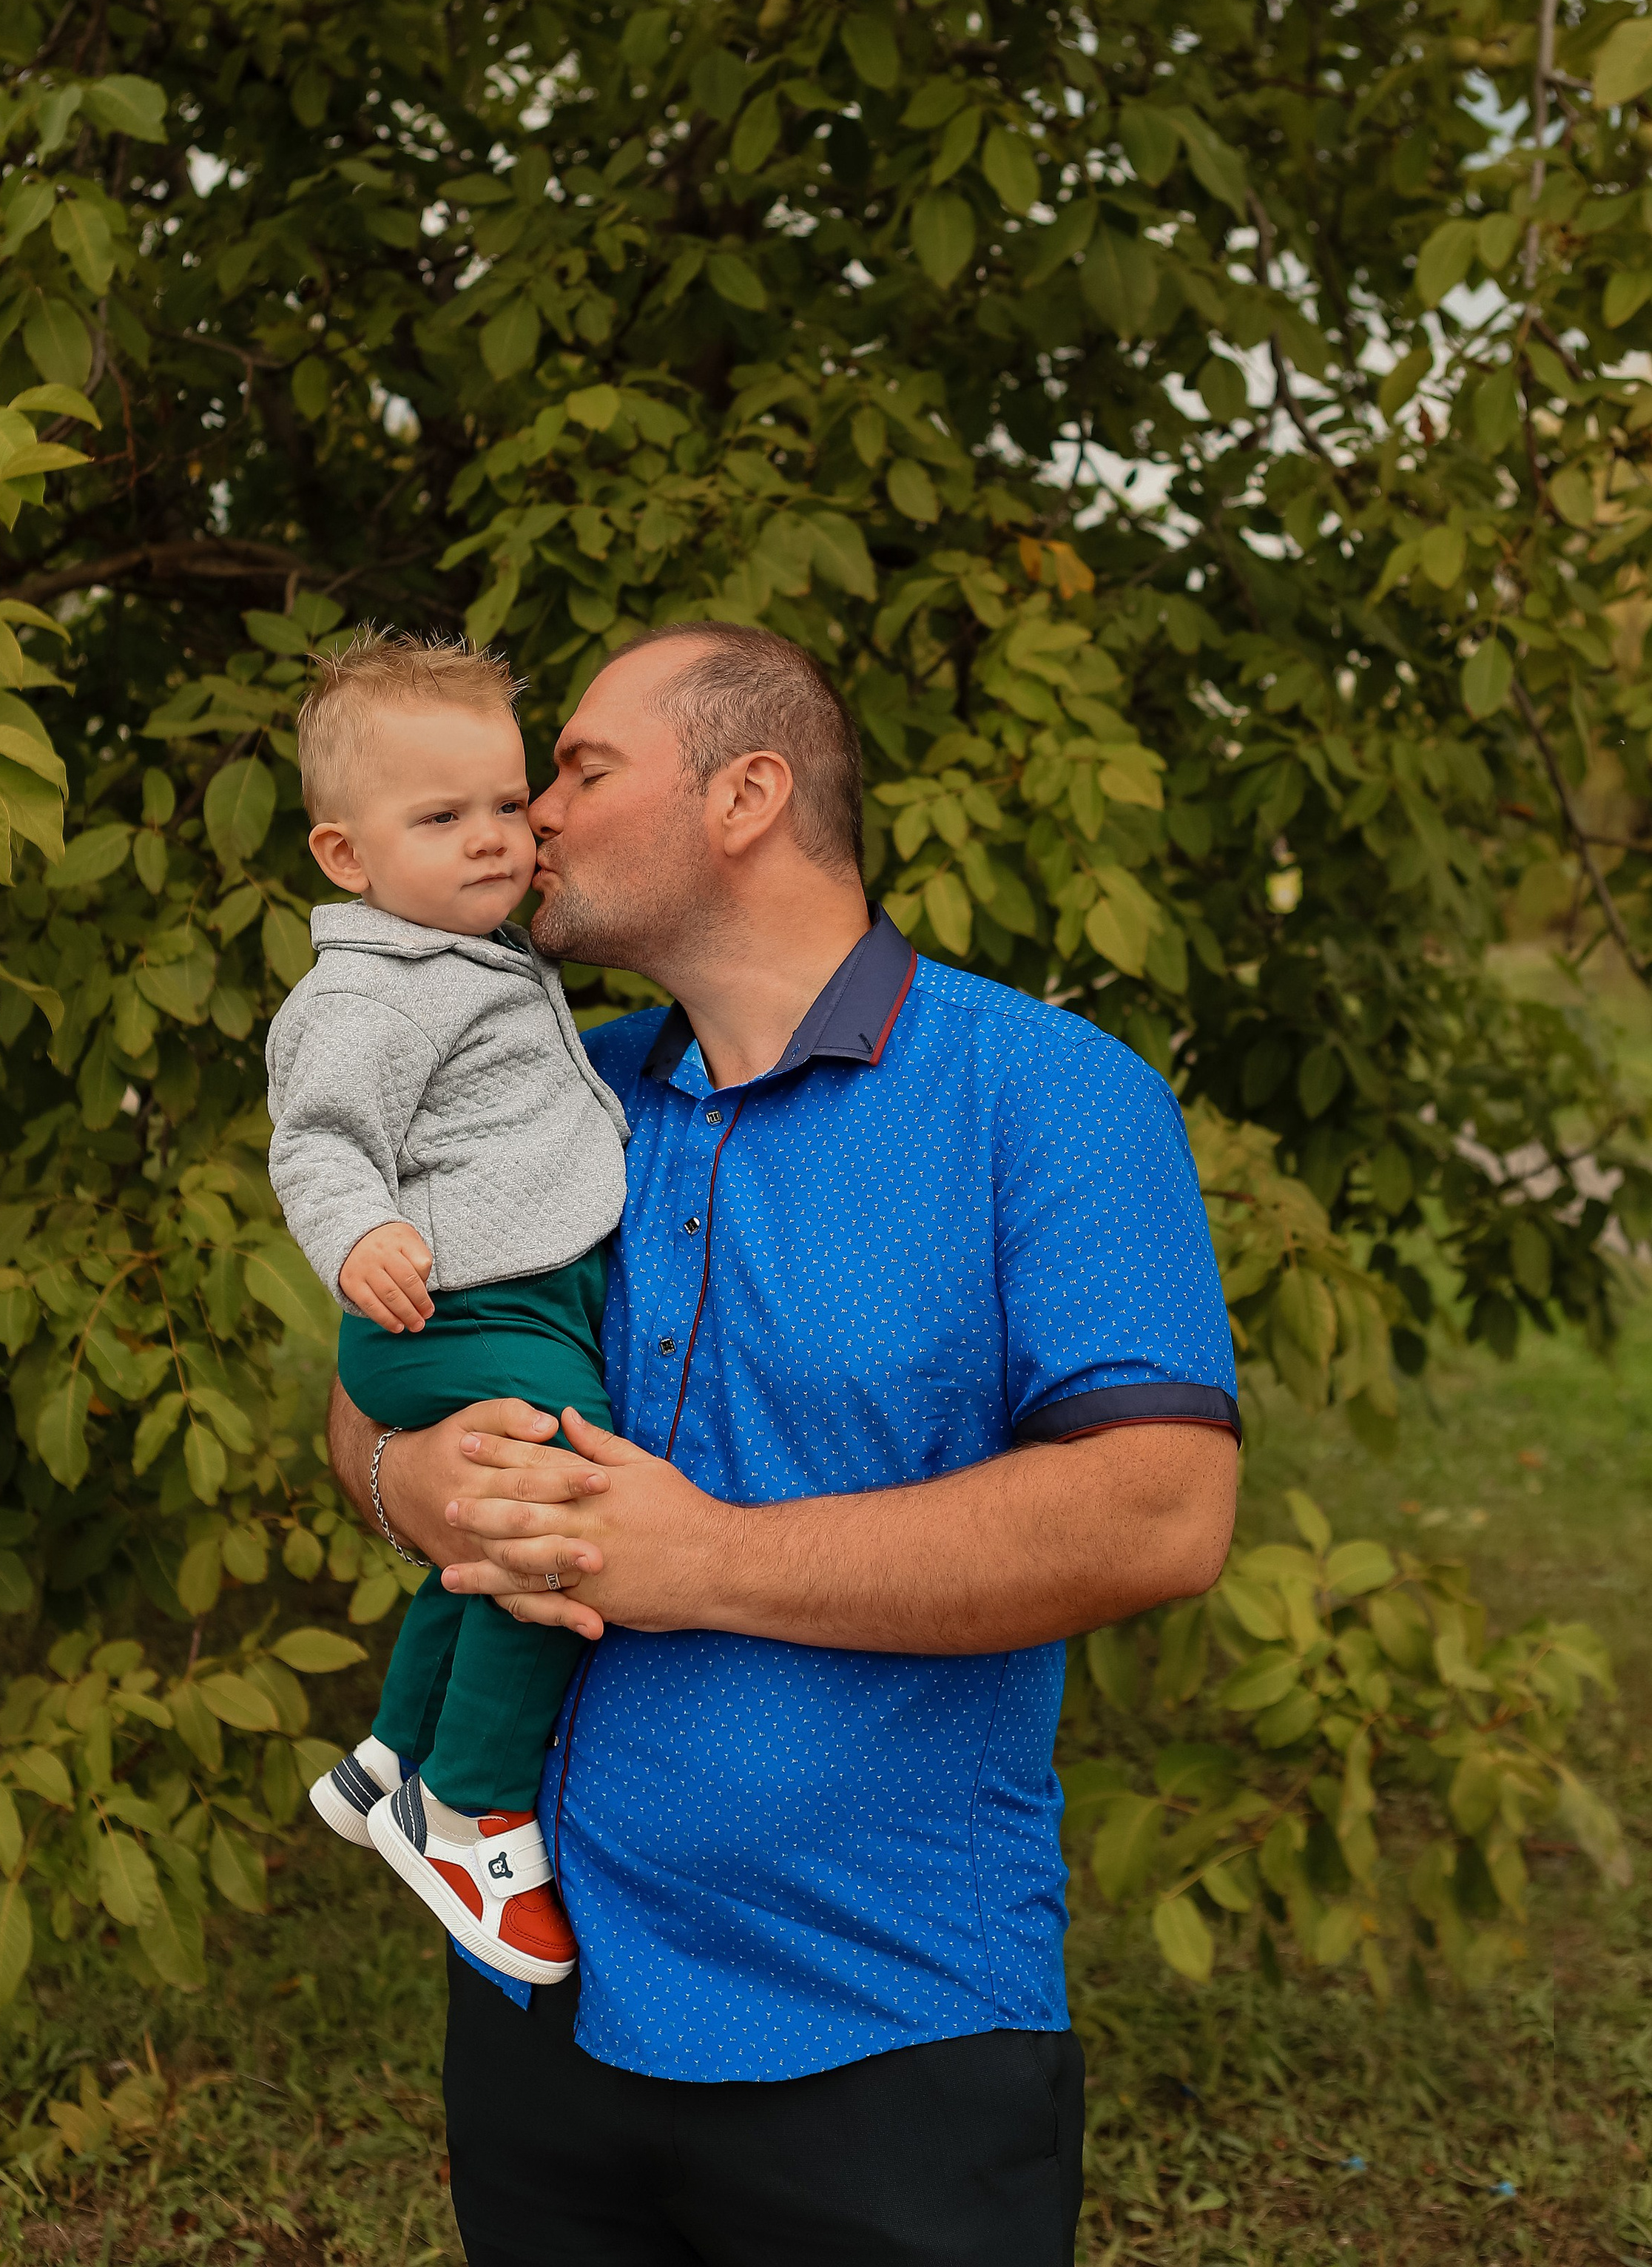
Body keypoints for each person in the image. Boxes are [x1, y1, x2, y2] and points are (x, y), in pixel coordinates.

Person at [326, 622, 1241, 2267]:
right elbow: (373, 1398)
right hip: (539, 1997)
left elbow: (1160, 1511)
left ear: (745, 794)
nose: (534, 812)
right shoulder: (555, 1087)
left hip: (889, 2031)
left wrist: (702, 1560)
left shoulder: (1049, 1097)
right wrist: (414, 1484)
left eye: (583, 768)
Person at [266, 630, 630, 1984]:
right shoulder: (370, 990)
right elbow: (317, 1139)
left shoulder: (471, 958)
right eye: (440, 817)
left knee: (485, 1532)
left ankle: (393, 1750)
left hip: (515, 1296)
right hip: (456, 1309)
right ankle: (470, 1805)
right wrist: (358, 1231)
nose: (493, 837)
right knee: (560, 1503)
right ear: (345, 855)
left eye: (506, 802)